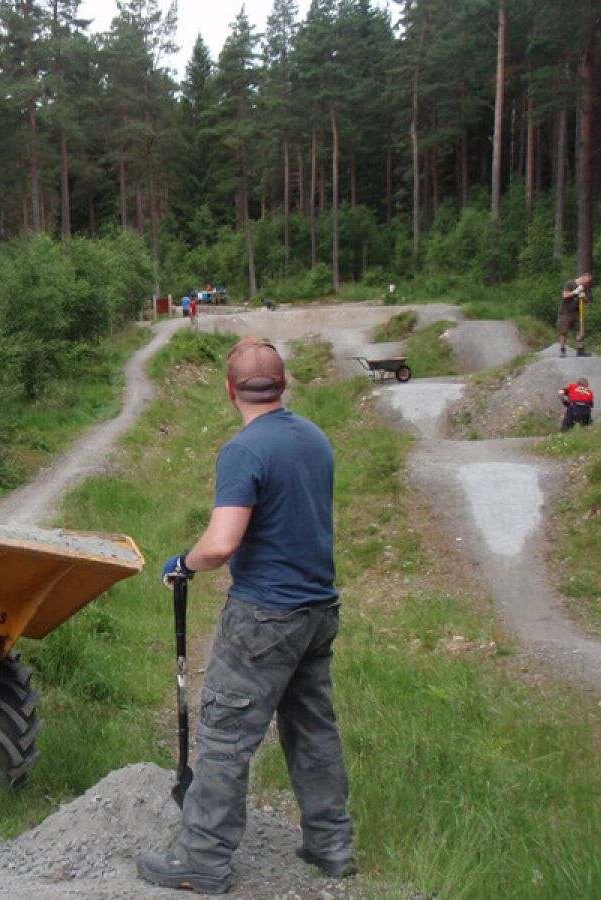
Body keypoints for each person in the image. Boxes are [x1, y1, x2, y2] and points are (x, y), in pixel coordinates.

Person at [138, 337, 355, 895]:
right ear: (284, 384)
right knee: (313, 730)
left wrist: (184, 563)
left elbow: (221, 543)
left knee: (227, 735)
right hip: (318, 611)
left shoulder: (245, 450)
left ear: (230, 389)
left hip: (265, 616)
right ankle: (331, 845)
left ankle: (203, 859)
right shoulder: (315, 439)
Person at [557, 273, 592, 358]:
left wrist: (583, 297)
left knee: (580, 330)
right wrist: (575, 292)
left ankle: (580, 350)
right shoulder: (570, 283)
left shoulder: (585, 287)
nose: (586, 284)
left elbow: (587, 301)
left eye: (588, 283)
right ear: (582, 278)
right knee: (563, 331)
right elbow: (565, 295)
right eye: (586, 282)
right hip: (565, 312)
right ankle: (562, 350)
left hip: (577, 312)